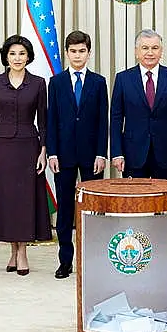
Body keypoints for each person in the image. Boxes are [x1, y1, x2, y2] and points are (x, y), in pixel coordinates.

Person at [0, 35, 51, 276]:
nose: (17, 58)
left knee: (25, 201)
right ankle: (12, 250)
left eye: (22, 53)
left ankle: (23, 252)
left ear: (29, 56)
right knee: (8, 201)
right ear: (6, 57)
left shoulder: (38, 83)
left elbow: (43, 120)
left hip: (28, 146)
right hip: (2, 147)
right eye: (13, 53)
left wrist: (43, 151)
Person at [47, 31, 108, 279]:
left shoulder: (99, 82)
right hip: (63, 154)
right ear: (66, 53)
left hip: (91, 155)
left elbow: (103, 121)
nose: (77, 55)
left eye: (82, 51)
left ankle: (93, 261)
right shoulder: (57, 82)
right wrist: (52, 152)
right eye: (73, 51)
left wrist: (101, 154)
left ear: (89, 53)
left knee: (93, 209)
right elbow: (51, 121)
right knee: (65, 211)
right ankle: (65, 260)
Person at [110, 29, 167, 180]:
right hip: (133, 154)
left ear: (161, 51)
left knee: (165, 202)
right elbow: (116, 119)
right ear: (136, 51)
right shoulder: (123, 79)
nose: (150, 53)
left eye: (155, 48)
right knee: (134, 203)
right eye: (145, 48)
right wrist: (117, 152)